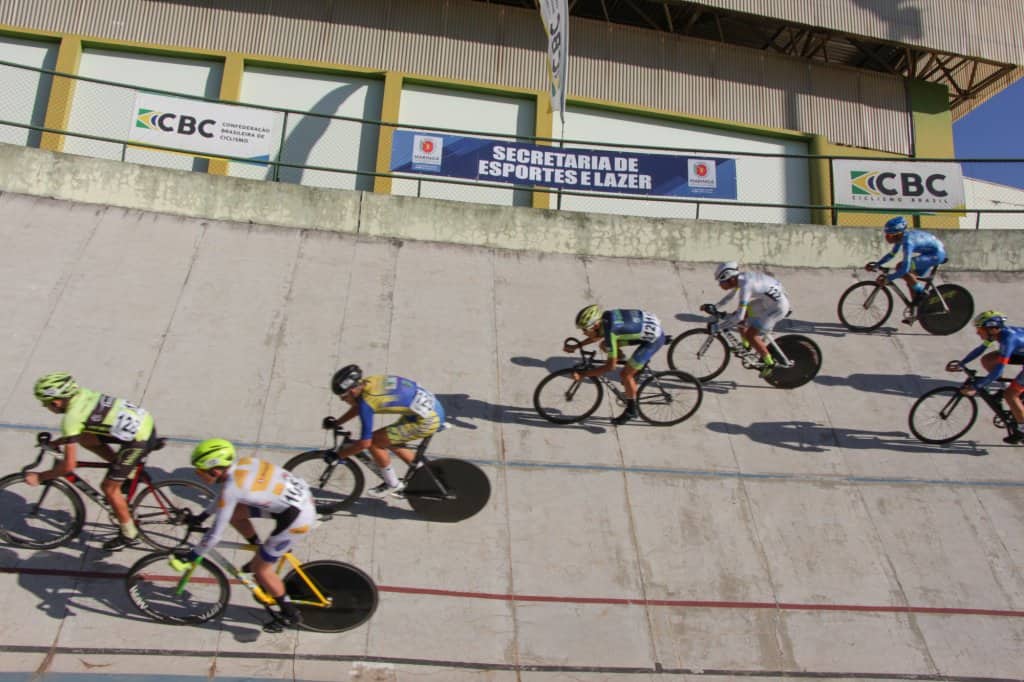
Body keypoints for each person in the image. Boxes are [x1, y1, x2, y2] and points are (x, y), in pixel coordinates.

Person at [169, 438, 316, 627]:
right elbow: (223, 498)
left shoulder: (233, 488)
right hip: (296, 503)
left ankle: (290, 613)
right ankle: (258, 548)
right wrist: (202, 516)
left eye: (200, 471)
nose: (198, 475)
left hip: (298, 519)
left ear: (215, 471)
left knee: (261, 570)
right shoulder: (244, 464)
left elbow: (215, 535)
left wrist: (192, 555)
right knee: (235, 514)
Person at [25, 372, 159, 551]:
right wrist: (57, 443)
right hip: (145, 423)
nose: (44, 406)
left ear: (55, 402)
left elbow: (69, 466)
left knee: (109, 488)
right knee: (86, 438)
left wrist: (41, 476)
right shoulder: (83, 395)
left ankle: (129, 534)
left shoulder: (71, 418)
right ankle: (129, 471)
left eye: (45, 403)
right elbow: (80, 431)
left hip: (138, 440)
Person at [324, 365, 446, 497]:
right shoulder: (370, 382)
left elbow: (365, 443)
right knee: (389, 440)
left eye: (343, 396)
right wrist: (338, 422)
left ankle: (392, 484)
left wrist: (339, 455)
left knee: (375, 442)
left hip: (427, 419)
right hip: (430, 408)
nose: (343, 400)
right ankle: (426, 475)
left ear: (352, 391)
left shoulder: (367, 403)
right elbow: (358, 406)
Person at [567, 305, 666, 425]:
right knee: (604, 345)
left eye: (585, 330)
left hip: (653, 341)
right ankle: (632, 365)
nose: (583, 333)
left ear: (595, 325)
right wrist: (576, 346)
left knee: (625, 375)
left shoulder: (610, 331)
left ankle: (631, 411)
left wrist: (583, 374)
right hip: (646, 327)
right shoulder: (605, 318)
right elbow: (597, 336)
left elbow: (610, 367)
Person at [946, 311, 1024, 445]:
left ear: (992, 328)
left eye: (980, 330)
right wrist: (962, 363)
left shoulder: (1008, 340)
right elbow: (980, 349)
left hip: (1018, 350)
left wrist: (976, 386)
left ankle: (1022, 431)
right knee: (988, 360)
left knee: (1011, 395)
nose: (977, 333)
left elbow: (998, 370)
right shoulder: (997, 332)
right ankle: (1003, 391)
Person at [712, 262, 790, 378]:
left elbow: (738, 317)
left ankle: (769, 363)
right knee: (743, 315)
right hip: (768, 302)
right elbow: (730, 296)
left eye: (721, 281)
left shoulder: (746, 286)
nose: (720, 285)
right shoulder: (740, 278)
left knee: (751, 334)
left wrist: (719, 327)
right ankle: (746, 346)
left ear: (730, 278)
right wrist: (715, 306)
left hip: (777, 308)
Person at [866, 216, 947, 323]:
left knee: (901, 267)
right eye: (886, 234)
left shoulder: (908, 242)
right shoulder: (902, 238)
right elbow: (891, 255)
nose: (887, 238)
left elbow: (904, 269)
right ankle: (916, 311)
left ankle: (923, 294)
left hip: (936, 255)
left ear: (897, 234)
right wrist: (877, 264)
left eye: (889, 235)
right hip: (930, 253)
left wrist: (889, 278)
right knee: (910, 281)